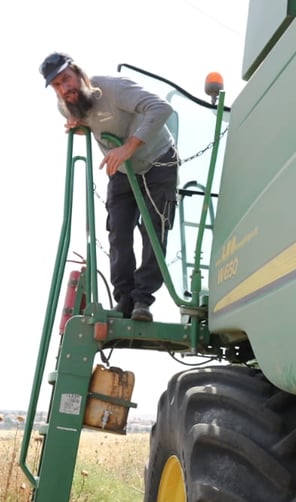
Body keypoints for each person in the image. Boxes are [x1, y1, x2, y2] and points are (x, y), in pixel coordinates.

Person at [41, 52, 178, 323]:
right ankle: (124, 300)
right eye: (57, 85)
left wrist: (129, 146)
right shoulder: (65, 105)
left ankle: (142, 300)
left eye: (66, 79)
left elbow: (162, 108)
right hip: (122, 170)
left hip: (157, 161)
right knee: (118, 231)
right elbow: (88, 121)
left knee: (153, 228)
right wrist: (77, 126)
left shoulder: (114, 88)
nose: (64, 88)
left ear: (79, 73)